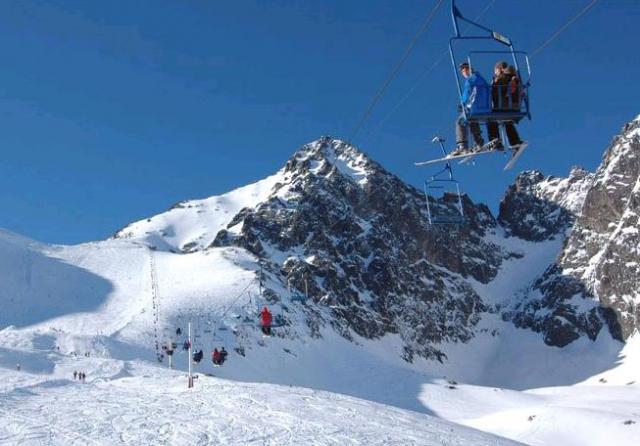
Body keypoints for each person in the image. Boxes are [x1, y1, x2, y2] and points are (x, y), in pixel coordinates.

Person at [452, 62, 491, 156]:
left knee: (460, 122)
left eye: (464, 70)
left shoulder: (471, 79)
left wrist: (462, 104)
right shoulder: (480, 78)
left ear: (469, 69)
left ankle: (462, 146)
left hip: (476, 107)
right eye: (462, 71)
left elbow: (467, 93)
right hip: (485, 107)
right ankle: (478, 142)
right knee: (472, 120)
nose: (463, 72)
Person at [487, 61, 523, 149]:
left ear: (500, 69)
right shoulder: (515, 77)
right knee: (507, 121)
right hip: (515, 107)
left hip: (503, 106)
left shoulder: (502, 78)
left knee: (490, 118)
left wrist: (492, 86)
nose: (495, 73)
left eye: (495, 71)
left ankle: (494, 140)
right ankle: (515, 141)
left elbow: (495, 92)